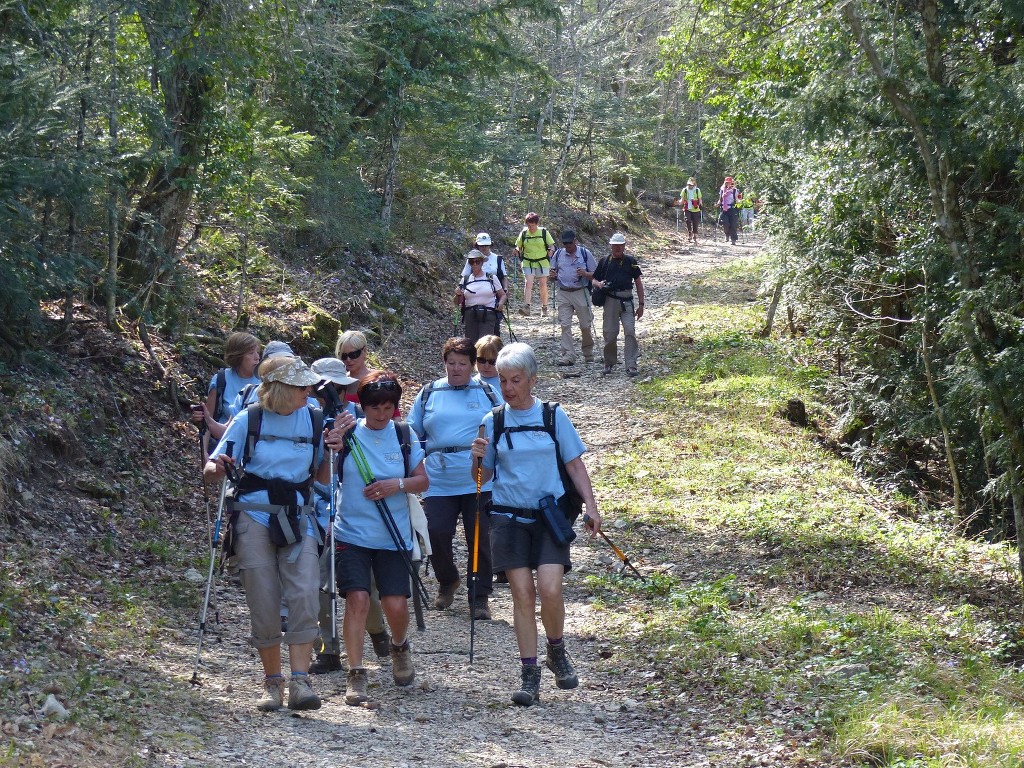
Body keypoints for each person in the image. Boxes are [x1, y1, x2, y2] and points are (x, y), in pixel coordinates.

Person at [469, 342, 602, 706]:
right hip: (508, 517)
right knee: (522, 595)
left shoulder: (553, 415)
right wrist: (477, 458)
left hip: (549, 516)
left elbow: (575, 465)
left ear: (532, 380)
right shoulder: (493, 420)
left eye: (516, 380)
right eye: (503, 380)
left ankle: (556, 650)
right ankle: (529, 674)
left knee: (551, 588)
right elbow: (482, 476)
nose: (508, 387)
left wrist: (591, 506)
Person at [203, 355, 328, 712]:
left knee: (304, 592)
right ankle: (272, 681)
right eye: (301, 386)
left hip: (298, 516)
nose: (309, 391)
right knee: (263, 597)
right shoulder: (249, 419)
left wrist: (335, 446)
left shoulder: (315, 419)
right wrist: (218, 467)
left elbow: (320, 477)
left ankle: (300, 682)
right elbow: (212, 467)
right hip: (253, 517)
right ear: (280, 389)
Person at [325, 371, 429, 706]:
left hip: (393, 535)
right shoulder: (349, 434)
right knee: (357, 600)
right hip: (351, 533)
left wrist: (394, 485)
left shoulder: (404, 433)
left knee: (395, 604)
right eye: (375, 408)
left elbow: (422, 481)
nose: (382, 414)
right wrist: (332, 445)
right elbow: (323, 477)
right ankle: (356, 673)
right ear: (363, 406)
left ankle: (399, 645)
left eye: (388, 407)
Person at [306, 357, 392, 674]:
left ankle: (377, 629)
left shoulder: (360, 418)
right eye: (322, 389)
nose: (332, 396)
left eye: (339, 389)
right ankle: (327, 649)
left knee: (363, 588)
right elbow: (316, 476)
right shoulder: (306, 420)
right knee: (319, 583)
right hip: (315, 513)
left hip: (355, 515)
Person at [409, 338, 501, 620]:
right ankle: (447, 579)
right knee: (436, 531)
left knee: (478, 535)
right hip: (438, 477)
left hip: (478, 478)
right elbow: (411, 432)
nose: (456, 369)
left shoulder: (484, 390)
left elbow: (502, 423)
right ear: (444, 363)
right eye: (451, 363)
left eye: (462, 363)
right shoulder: (429, 392)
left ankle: (480, 595)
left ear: (471, 365)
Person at [192, 332, 262, 449]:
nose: (257, 357)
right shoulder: (221, 379)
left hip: (256, 450)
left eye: (257, 352)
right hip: (225, 447)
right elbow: (208, 421)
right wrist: (204, 453)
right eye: (251, 353)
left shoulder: (264, 381)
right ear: (238, 356)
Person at [593, 233, 645, 377]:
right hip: (610, 301)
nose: (618, 248)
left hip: (627, 300)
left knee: (630, 331)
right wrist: (599, 284)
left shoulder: (631, 261)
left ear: (624, 246)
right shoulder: (604, 261)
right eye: (615, 245)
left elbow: (638, 283)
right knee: (610, 333)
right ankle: (609, 362)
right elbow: (594, 279)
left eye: (620, 245)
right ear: (611, 246)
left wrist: (641, 304)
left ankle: (631, 364)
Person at [549, 230, 597, 366]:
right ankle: (568, 355)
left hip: (580, 291)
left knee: (586, 325)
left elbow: (596, 274)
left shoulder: (585, 254)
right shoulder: (558, 254)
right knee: (565, 324)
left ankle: (588, 352)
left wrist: (585, 273)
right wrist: (552, 276)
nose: (567, 245)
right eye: (565, 243)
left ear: (575, 241)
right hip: (563, 292)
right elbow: (552, 274)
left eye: (570, 242)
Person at [335, 330, 401, 417]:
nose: (348, 360)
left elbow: (395, 414)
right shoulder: (339, 382)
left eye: (353, 354)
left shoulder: (379, 378)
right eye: (343, 356)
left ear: (365, 351)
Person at [456, 250, 507, 344]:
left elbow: (503, 295)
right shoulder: (465, 279)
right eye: (472, 262)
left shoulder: (491, 278)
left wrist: (500, 304)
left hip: (488, 314)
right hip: (470, 314)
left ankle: (486, 358)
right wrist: (458, 294)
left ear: (482, 262)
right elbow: (457, 302)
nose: (474, 264)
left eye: (477, 262)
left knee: (485, 344)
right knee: (471, 344)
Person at [512, 212, 555, 317]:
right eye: (528, 225)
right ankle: (527, 307)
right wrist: (516, 250)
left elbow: (551, 245)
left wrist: (551, 251)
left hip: (542, 261)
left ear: (537, 223)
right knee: (528, 283)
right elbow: (519, 246)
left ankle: (544, 307)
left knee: (542, 284)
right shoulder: (524, 233)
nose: (530, 227)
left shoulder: (544, 232)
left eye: (532, 225)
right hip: (528, 261)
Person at [462, 233, 510, 319]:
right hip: (474, 292)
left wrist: (505, 289)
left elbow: (503, 276)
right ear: (477, 245)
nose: (484, 247)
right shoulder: (471, 259)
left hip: (494, 292)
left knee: (495, 321)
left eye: (486, 245)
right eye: (481, 245)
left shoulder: (497, 259)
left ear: (490, 245)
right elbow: (465, 276)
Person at [717, 176, 740, 245]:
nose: (728, 184)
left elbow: (736, 199)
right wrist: (718, 203)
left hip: (732, 208)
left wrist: (739, 202)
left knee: (733, 224)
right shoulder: (722, 189)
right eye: (726, 182)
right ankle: (727, 234)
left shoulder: (735, 190)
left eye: (729, 182)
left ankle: (733, 239)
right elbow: (720, 199)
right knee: (725, 223)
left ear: (731, 182)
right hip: (724, 208)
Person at [680, 177, 702, 244]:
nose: (690, 186)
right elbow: (682, 200)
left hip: (696, 209)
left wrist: (701, 205)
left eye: (691, 185)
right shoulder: (685, 190)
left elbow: (700, 199)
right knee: (687, 220)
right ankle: (690, 233)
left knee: (695, 223)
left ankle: (695, 234)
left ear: (694, 184)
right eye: (689, 184)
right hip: (687, 208)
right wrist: (677, 202)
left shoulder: (697, 190)